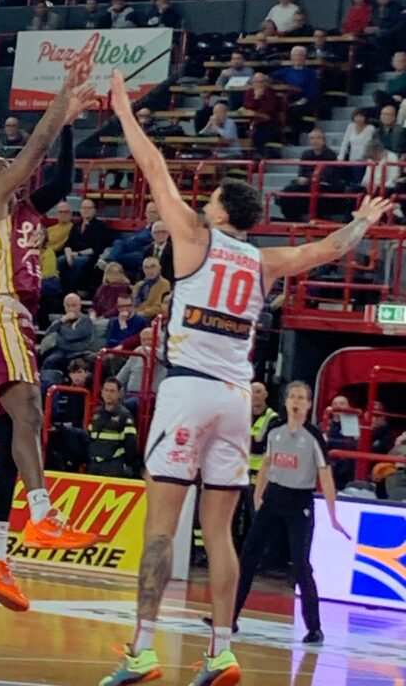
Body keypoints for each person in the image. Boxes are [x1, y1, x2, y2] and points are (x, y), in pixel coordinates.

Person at [101, 67, 392, 686]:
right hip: (236, 400)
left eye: (209, 201)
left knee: (161, 528)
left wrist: (124, 108)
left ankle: (142, 651)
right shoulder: (263, 262)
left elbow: (152, 166)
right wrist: (364, 220)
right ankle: (222, 652)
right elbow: (329, 250)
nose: (201, 205)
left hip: (187, 388)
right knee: (220, 531)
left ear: (221, 210)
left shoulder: (194, 238)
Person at [0, 59, 100, 612]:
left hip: (10, 319)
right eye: (1, 166)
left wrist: (68, 125)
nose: (11, 170)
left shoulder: (24, 209)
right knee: (27, 412)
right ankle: (43, 514)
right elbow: (32, 152)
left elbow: (61, 180)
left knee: (6, 449)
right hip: (0, 313)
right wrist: (61, 99)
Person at [233, 382, 350, 645]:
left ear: (308, 404)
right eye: (292, 397)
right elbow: (266, 463)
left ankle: (314, 628)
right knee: (248, 557)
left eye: (301, 398)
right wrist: (258, 496)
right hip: (273, 498)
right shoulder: (274, 429)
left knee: (300, 563)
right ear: (286, 402)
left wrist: (333, 515)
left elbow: (325, 476)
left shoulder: (314, 436)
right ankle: (230, 617)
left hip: (299, 503)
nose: (296, 402)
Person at [87, 377, 138, 478]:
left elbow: (130, 444)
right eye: (106, 390)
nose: (108, 394)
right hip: (94, 464)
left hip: (114, 465)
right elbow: (89, 437)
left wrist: (127, 464)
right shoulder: (96, 413)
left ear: (119, 394)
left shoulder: (125, 416)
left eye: (112, 391)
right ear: (102, 392)